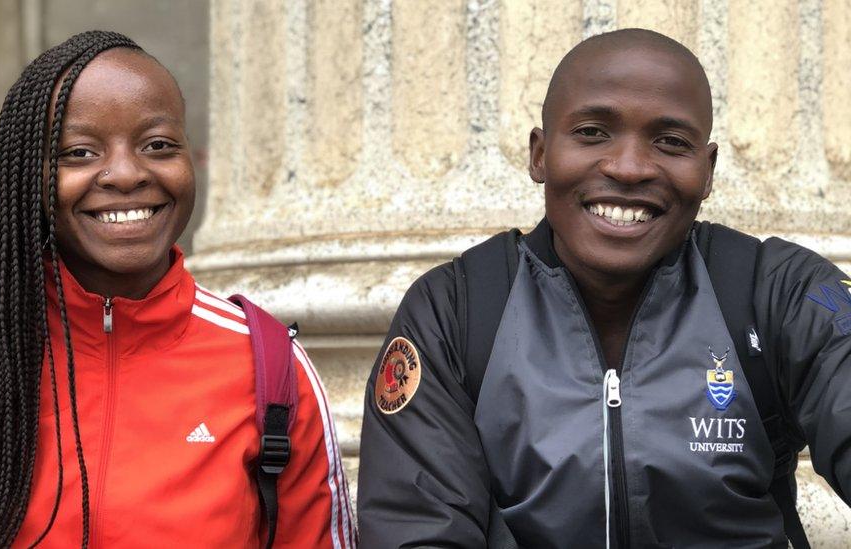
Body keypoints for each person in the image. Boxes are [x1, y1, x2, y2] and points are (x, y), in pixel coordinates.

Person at [357, 28, 851, 548]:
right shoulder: (453, 313)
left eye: (671, 142)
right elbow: (416, 531)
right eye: (593, 132)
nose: (629, 167)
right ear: (540, 155)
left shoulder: (781, 294)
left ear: (707, 173)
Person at [0, 31, 355, 548]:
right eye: (79, 152)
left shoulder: (270, 369)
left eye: (158, 145)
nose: (126, 174)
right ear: (25, 177)